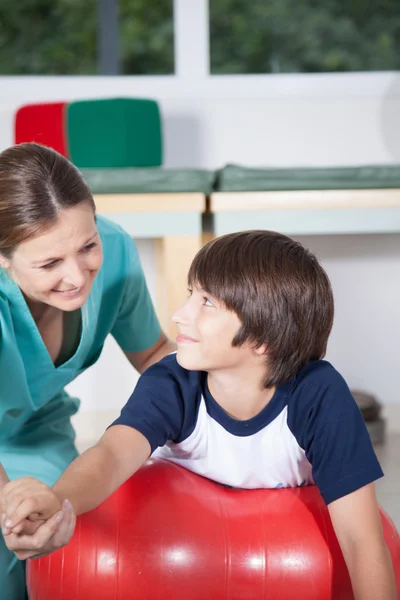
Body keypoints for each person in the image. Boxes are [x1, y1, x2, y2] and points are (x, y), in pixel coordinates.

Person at [1, 230, 397, 599]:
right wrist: (58, 499)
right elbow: (111, 455)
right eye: (191, 294)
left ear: (262, 337)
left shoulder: (319, 395)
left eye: (206, 302)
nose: (179, 315)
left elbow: (362, 539)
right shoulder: (174, 380)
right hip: (174, 550)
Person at [0, 142, 175, 598]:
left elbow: (154, 351)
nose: (77, 276)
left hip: (38, 432)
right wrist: (10, 506)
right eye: (49, 263)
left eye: (86, 245)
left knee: (70, 532)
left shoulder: (115, 251)